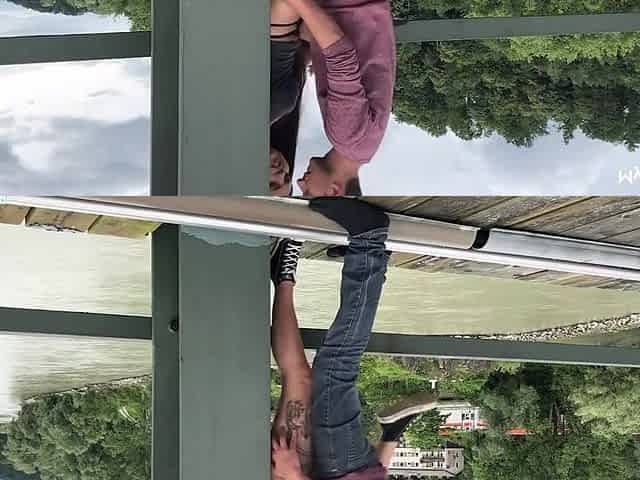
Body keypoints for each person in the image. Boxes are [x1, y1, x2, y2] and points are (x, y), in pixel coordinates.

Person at [270, 198, 419, 480]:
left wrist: (389, 440)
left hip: (345, 471)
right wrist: (294, 475)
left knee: (301, 382)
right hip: (343, 472)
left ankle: (284, 273)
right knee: (334, 370)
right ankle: (368, 244)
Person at [284, 0, 396, 197]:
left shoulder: (366, 146)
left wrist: (311, 39)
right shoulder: (347, 139)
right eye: (307, 193)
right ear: (333, 192)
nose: (301, 183)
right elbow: (341, 56)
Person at [270, 0, 310, 196]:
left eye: (271, 184)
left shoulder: (278, 105)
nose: (281, 173)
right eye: (287, 177)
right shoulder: (279, 108)